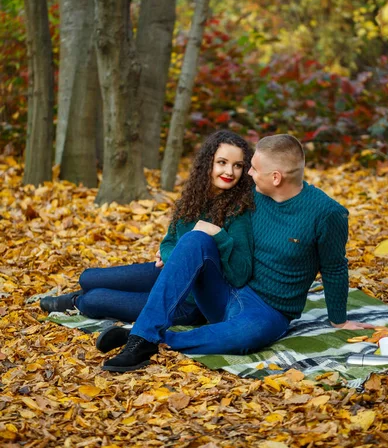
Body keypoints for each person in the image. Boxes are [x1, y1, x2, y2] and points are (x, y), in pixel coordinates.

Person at [101, 133, 371, 373]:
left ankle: (150, 338)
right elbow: (199, 214)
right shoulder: (254, 194)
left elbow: (335, 267)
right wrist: (172, 249)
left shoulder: (327, 214)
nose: (248, 174)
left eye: (253, 168)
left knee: (245, 338)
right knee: (196, 239)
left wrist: (339, 320)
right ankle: (142, 338)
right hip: (227, 289)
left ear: (276, 177)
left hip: (269, 312)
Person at [40, 130, 255, 350]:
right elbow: (168, 242)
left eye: (237, 165)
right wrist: (174, 258)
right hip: (166, 272)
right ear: (208, 162)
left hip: (186, 301)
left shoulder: (239, 209)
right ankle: (85, 293)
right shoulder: (194, 197)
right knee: (88, 278)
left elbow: (240, 272)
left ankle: (77, 301)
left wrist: (217, 235)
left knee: (94, 300)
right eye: (222, 162)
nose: (229, 171)